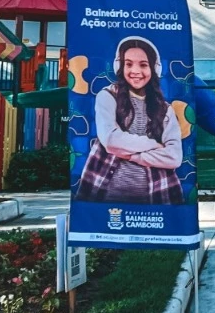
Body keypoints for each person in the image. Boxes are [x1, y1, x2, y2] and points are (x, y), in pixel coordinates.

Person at [76, 37, 184, 204]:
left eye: (143, 64)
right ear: (120, 66)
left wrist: (131, 155)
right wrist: (154, 145)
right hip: (106, 195)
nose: (135, 71)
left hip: (158, 196)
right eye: (128, 64)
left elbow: (174, 157)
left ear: (154, 68)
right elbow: (111, 141)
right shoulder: (107, 96)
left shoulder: (165, 109)